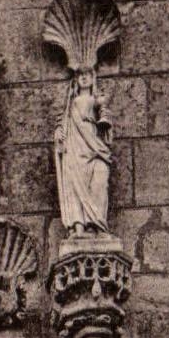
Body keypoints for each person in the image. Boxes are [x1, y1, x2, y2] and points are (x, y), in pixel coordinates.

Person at [54, 68, 113, 234]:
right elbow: (62, 121)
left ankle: (97, 223)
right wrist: (58, 131)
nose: (84, 77)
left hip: (95, 145)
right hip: (74, 146)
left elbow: (106, 126)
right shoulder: (70, 103)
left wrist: (103, 111)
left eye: (88, 74)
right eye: (80, 75)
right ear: (76, 79)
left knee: (100, 181)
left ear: (93, 79)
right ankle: (78, 224)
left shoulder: (97, 100)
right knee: (74, 184)